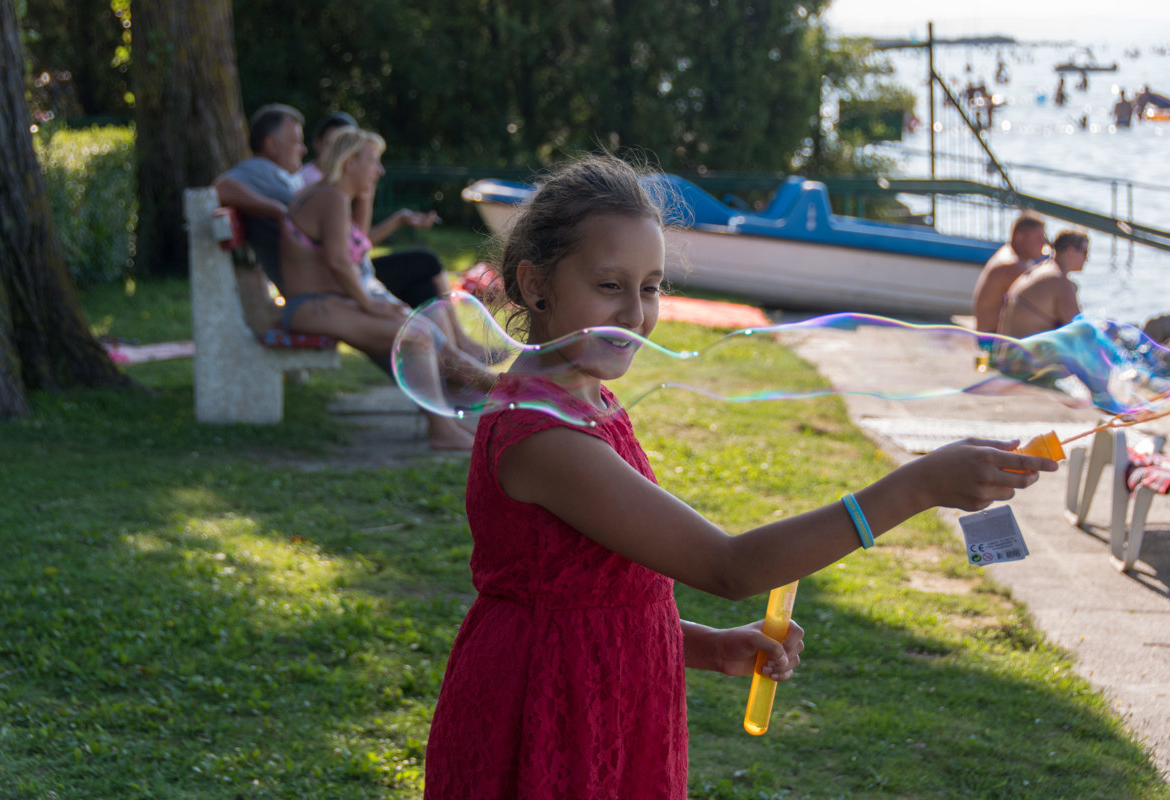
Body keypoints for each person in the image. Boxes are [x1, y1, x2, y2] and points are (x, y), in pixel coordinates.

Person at [422, 154, 1057, 798]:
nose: (635, 314)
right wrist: (917, 487)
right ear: (536, 285)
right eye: (609, 285)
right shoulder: (545, 439)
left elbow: (580, 595)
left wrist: (707, 647)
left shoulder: (588, 400)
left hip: (605, 693)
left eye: (651, 287)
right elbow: (730, 569)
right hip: (545, 713)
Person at [278, 128, 489, 451]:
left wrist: (371, 303)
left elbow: (353, 249)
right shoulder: (331, 197)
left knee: (421, 331)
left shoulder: (325, 194)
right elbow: (338, 261)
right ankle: (456, 419)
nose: (379, 171)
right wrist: (369, 304)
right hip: (312, 307)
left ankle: (477, 401)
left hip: (321, 305)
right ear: (349, 163)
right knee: (416, 336)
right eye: (373, 161)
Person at [297, 112, 453, 310]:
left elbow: (356, 243)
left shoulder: (336, 192)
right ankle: (450, 331)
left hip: (351, 279)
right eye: (333, 143)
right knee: (427, 262)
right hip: (333, 291)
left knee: (423, 290)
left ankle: (453, 330)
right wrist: (370, 305)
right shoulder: (327, 192)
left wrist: (366, 197)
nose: (380, 171)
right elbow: (343, 258)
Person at [213, 103, 307, 288]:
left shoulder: (275, 174)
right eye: (296, 141)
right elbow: (220, 188)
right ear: (272, 144)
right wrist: (276, 210)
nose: (303, 149)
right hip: (308, 280)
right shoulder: (258, 169)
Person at [998, 229, 1089, 339]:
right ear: (1070, 251)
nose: (1087, 259)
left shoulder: (1041, 270)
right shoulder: (1059, 280)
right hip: (1026, 349)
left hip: (1008, 347)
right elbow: (1080, 332)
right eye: (1085, 252)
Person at [972, 211, 1048, 333]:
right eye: (1038, 238)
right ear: (1020, 237)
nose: (1043, 243)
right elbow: (1042, 301)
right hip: (993, 340)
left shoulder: (1011, 253)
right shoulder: (1010, 265)